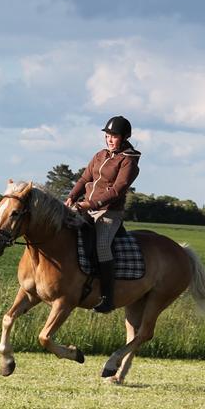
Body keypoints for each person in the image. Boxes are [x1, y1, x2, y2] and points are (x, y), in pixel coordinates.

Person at [64, 115, 141, 314]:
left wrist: (92, 203)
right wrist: (72, 196)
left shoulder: (128, 162)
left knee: (102, 246)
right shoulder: (100, 155)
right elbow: (85, 178)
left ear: (124, 137)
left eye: (114, 136)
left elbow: (117, 190)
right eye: (107, 135)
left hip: (109, 213)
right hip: (86, 207)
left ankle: (107, 298)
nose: (109, 139)